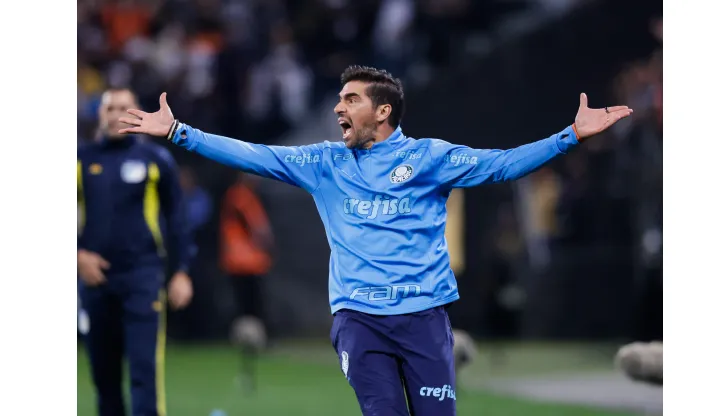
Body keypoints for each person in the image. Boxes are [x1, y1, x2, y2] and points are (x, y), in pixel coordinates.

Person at [119, 66, 632, 416]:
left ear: (382, 112)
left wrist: (569, 135)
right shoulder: (325, 163)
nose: (339, 108)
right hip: (359, 321)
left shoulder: (430, 157)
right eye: (340, 99)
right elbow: (253, 154)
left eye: (350, 99)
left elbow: (501, 165)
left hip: (424, 318)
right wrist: (181, 132)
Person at [78, 87, 193, 416]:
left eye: (123, 107)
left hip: (142, 279)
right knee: (104, 380)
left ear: (137, 111)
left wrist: (182, 271)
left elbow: (178, 219)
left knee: (144, 376)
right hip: (95, 284)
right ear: (99, 114)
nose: (116, 114)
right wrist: (77, 256)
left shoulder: (155, 159)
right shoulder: (80, 159)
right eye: (109, 107)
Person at [220, 173, 273, 338]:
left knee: (249, 301)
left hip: (246, 260)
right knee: (249, 302)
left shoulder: (246, 195)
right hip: (244, 260)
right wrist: (265, 240)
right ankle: (249, 337)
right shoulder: (240, 195)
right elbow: (257, 227)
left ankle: (250, 336)